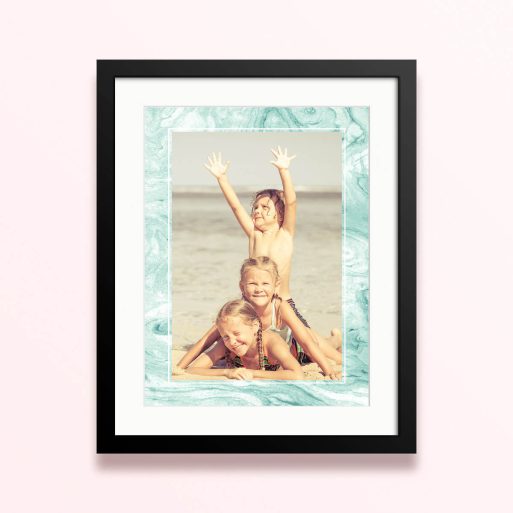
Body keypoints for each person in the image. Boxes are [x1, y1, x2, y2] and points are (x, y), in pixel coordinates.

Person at [177, 257, 342, 379]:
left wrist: (328, 370)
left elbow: (306, 343)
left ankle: (336, 339)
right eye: (252, 284)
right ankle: (334, 339)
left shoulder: (280, 307)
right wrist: (180, 367)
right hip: (264, 352)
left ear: (276, 285)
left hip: (292, 346)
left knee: (319, 346)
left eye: (265, 284)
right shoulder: (239, 313)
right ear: (242, 286)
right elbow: (206, 340)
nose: (259, 289)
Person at [183, 299, 304, 381]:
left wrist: (252, 373)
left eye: (236, 333)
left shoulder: (272, 344)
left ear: (255, 327)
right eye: (225, 336)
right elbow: (192, 369)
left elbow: (297, 375)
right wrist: (227, 372)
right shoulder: (226, 345)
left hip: (298, 349)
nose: (232, 342)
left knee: (315, 343)